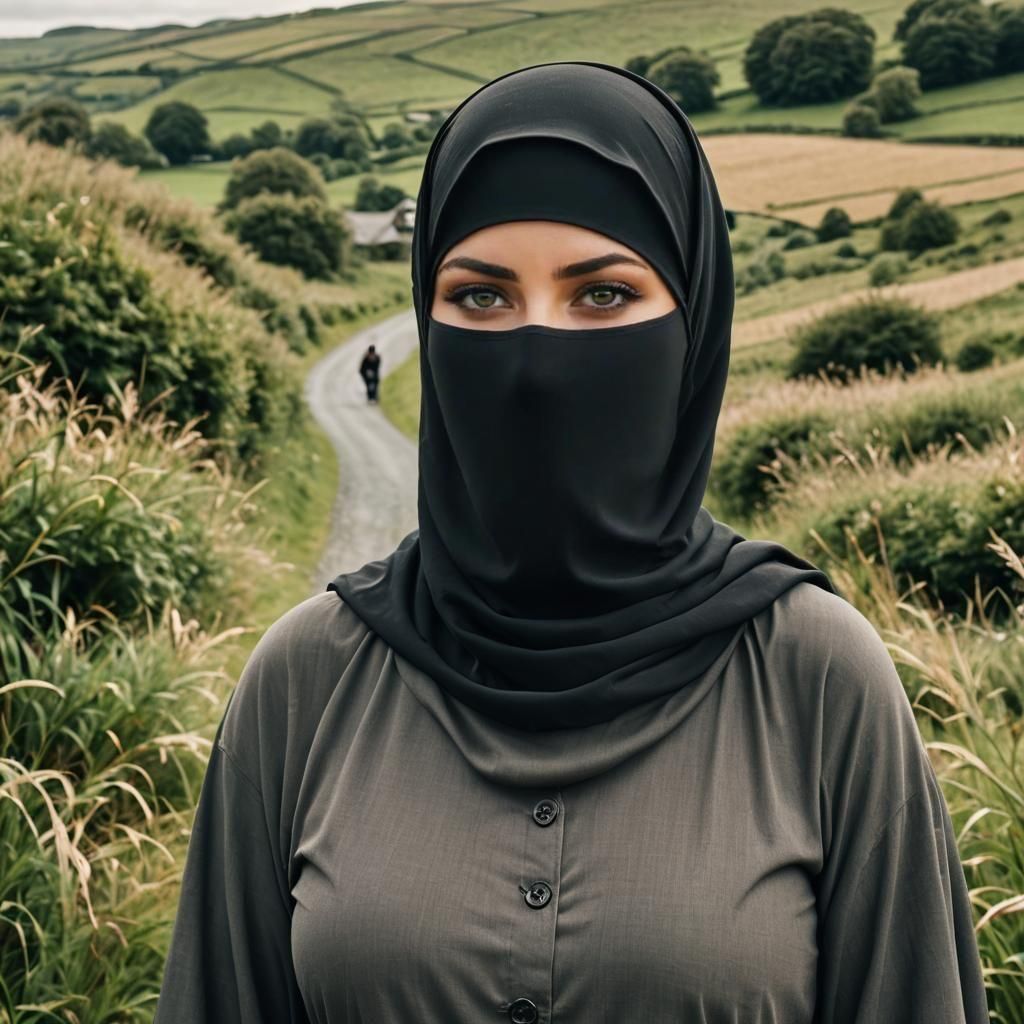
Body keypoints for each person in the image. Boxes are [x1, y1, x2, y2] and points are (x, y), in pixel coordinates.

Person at [152, 62, 990, 1024]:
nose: (537, 358)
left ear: (695, 322)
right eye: (480, 297)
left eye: (602, 296)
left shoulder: (817, 678)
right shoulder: (305, 679)